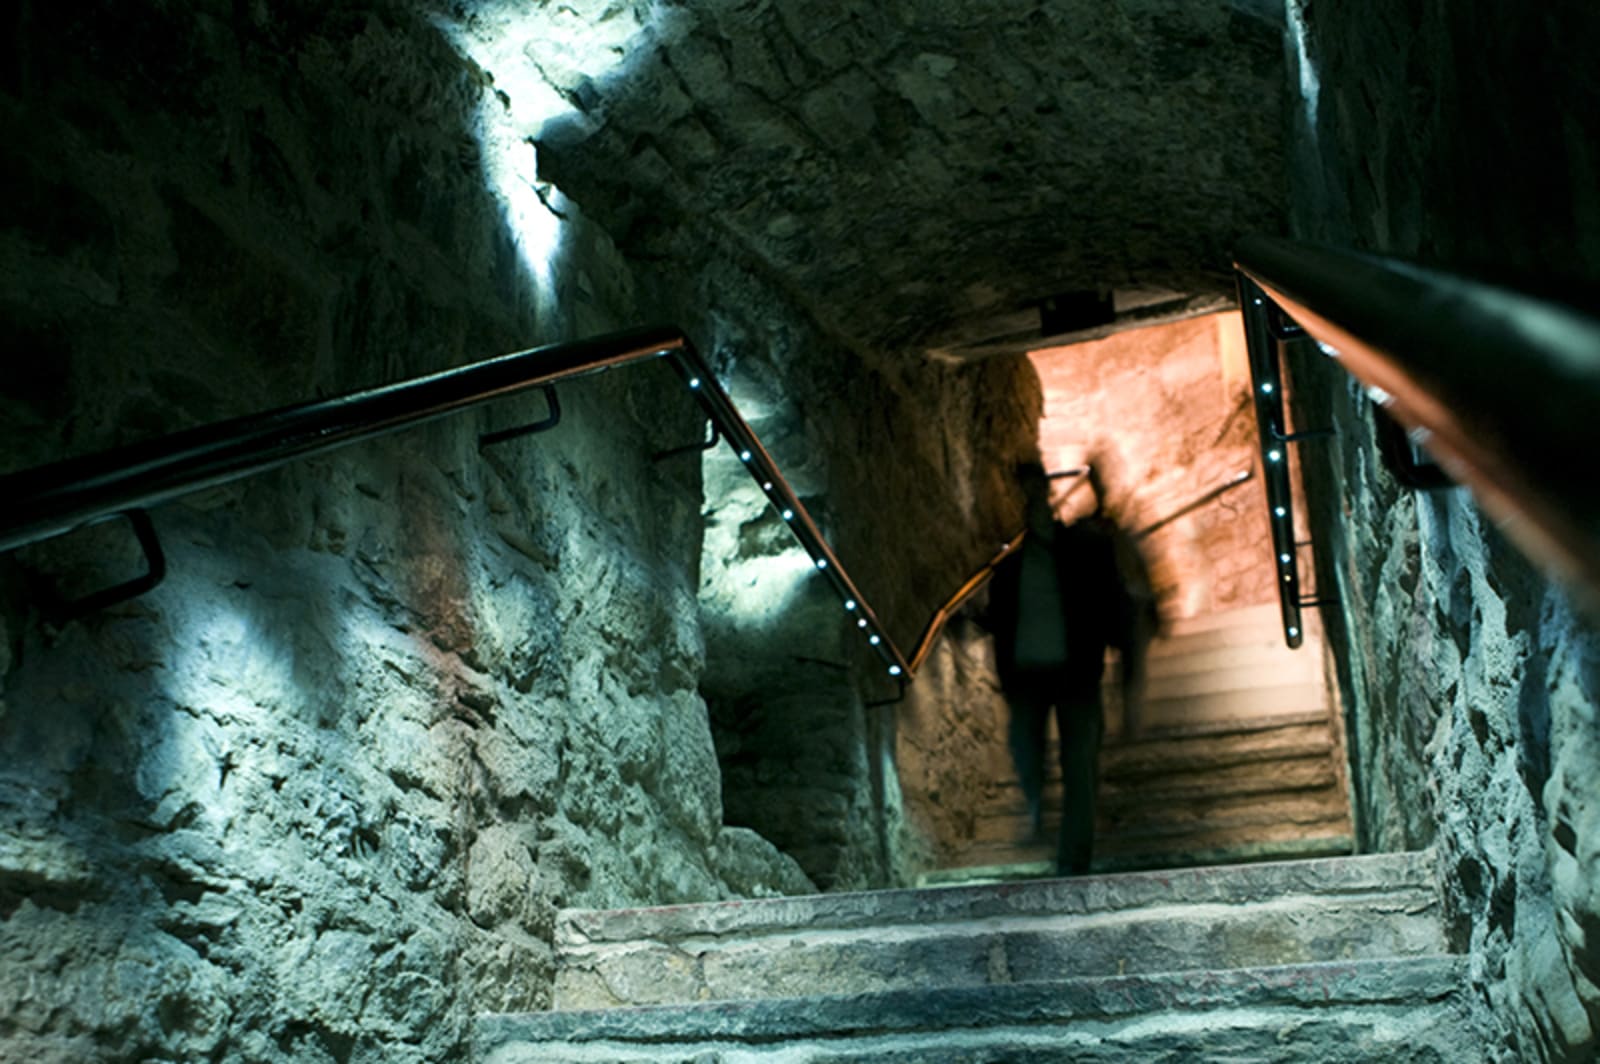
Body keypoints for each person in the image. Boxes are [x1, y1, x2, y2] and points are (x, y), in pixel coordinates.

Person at [985, 460, 1155, 876]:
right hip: (1027, 681)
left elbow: (1115, 608)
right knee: (1026, 754)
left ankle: (1072, 862)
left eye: (1035, 495)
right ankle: (1036, 807)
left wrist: (1129, 683)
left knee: (1080, 767)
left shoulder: (1085, 550)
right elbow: (999, 624)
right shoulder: (1006, 570)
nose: (1031, 506)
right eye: (1023, 498)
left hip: (1077, 678)